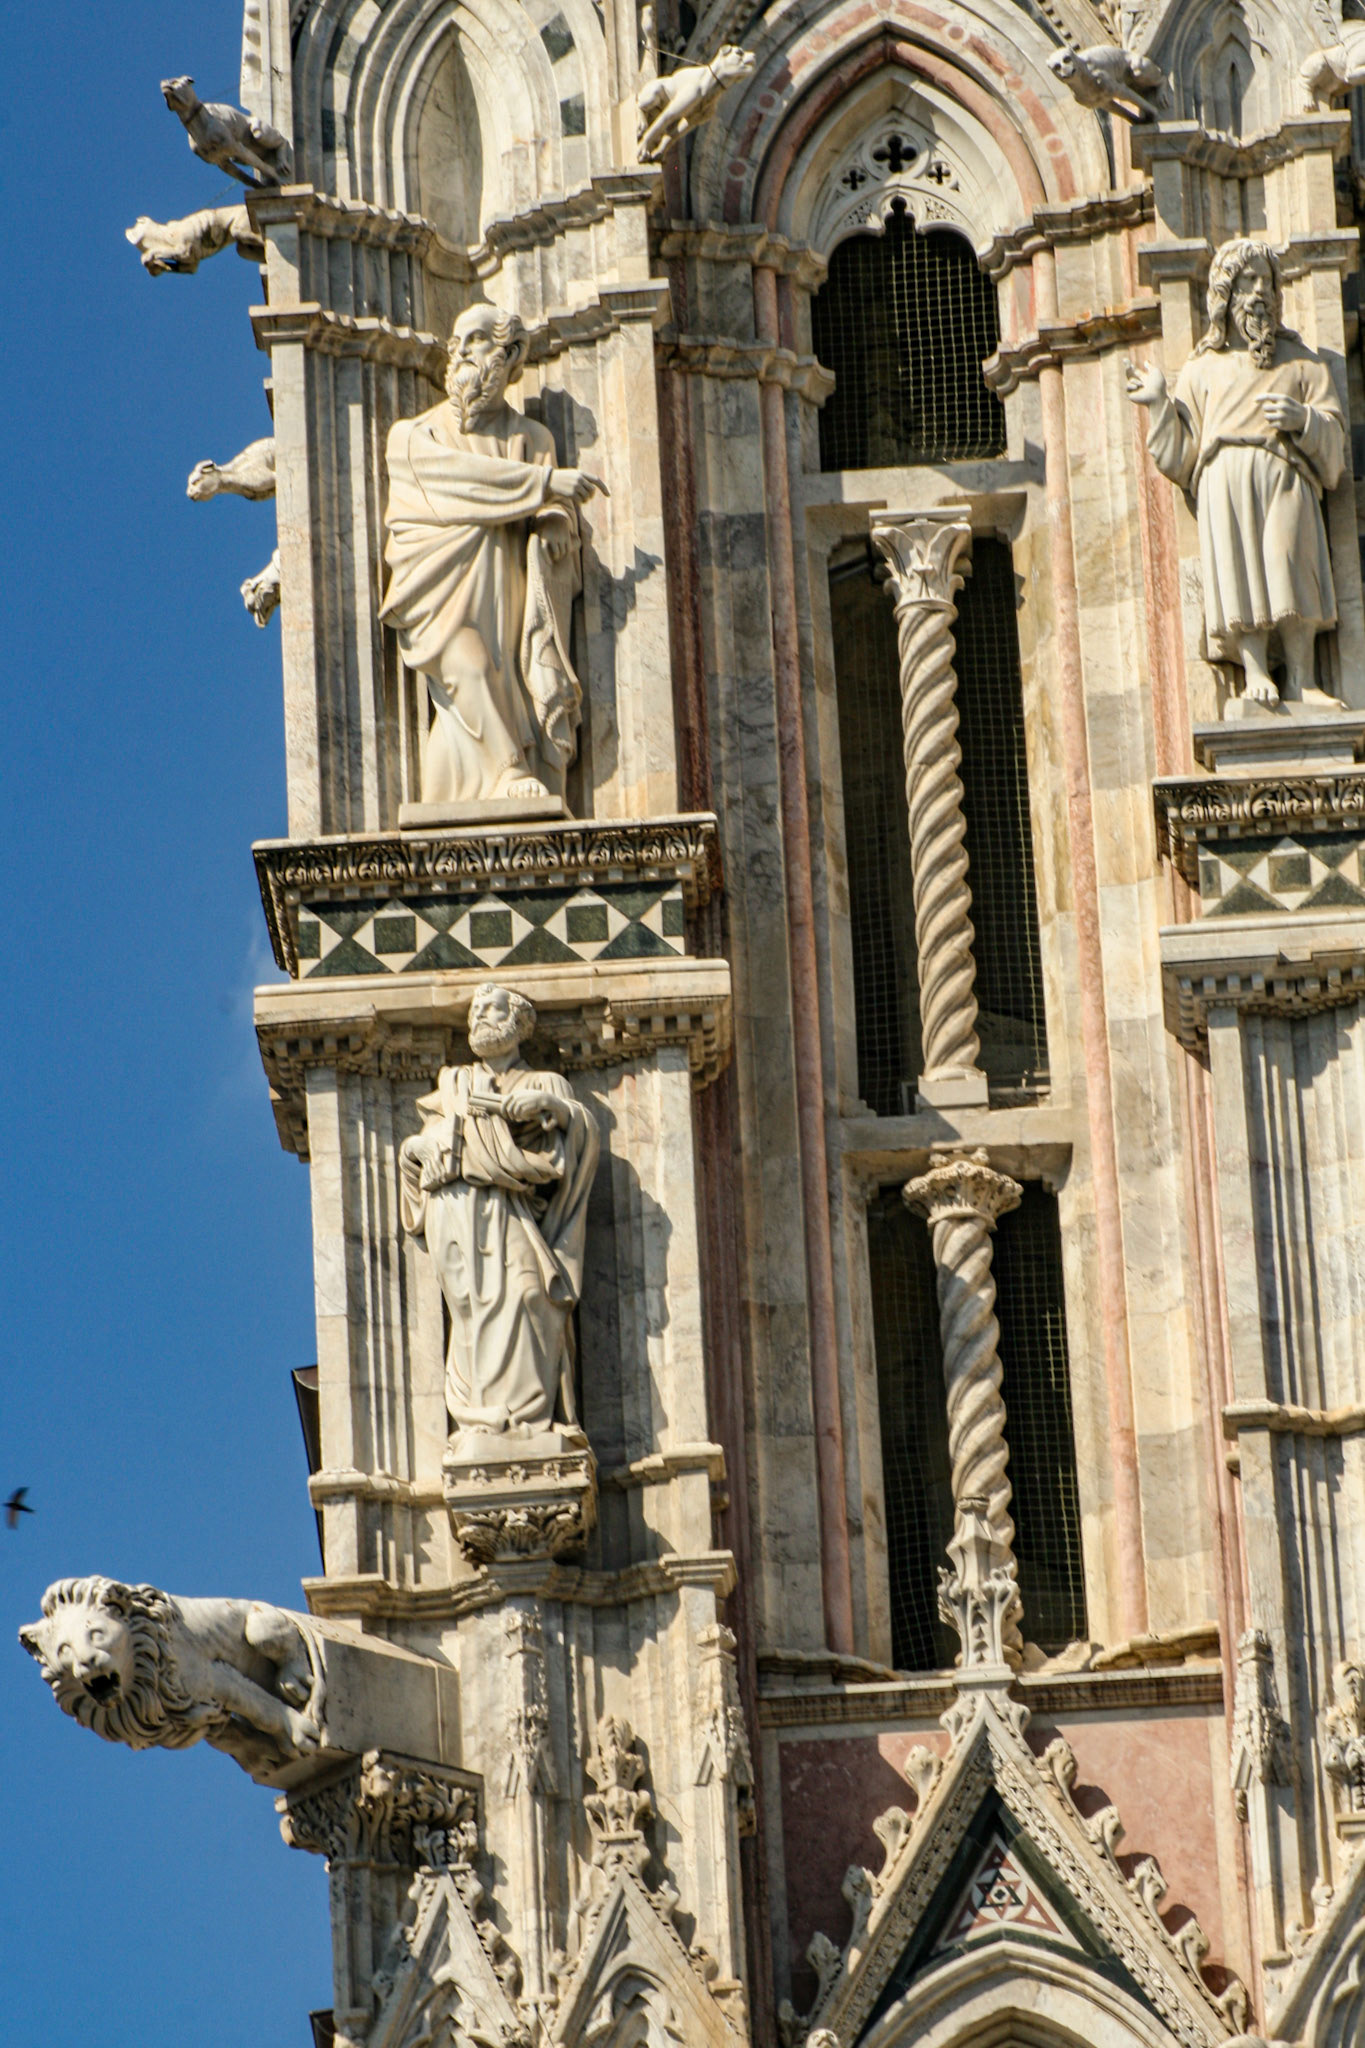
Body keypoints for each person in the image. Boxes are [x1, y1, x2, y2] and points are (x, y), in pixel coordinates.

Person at [382, 304, 607, 802]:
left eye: (476, 339)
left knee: (490, 696)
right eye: (456, 342)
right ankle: (507, 771)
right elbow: (458, 482)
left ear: (510, 354)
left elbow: (555, 515)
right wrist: (545, 483)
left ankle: (494, 778)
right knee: (466, 664)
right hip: (438, 594)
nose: (459, 351)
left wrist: (553, 519)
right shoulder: (416, 437)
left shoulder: (532, 438)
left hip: (507, 599)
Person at [1126, 238, 1345, 708]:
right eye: (1249, 280)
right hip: (1225, 487)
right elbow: (1182, 458)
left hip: (1287, 479)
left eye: (1267, 280)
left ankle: (1302, 679)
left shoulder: (1303, 363)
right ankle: (1256, 672)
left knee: (1293, 566)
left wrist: (1302, 420)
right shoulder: (1202, 369)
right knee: (1239, 570)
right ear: (1226, 292)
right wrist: (1160, 405)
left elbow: (1335, 450)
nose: (1259, 291)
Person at [398, 983, 600, 1440]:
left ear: (519, 1021)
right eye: (473, 1012)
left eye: (490, 1009)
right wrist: (415, 1149)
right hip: (457, 1209)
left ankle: (528, 1421)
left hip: (513, 1213)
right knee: (469, 1312)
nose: (478, 1018)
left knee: (531, 1297)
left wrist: (549, 1108)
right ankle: (478, 1419)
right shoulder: (454, 1083)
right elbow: (424, 1145)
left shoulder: (543, 1083)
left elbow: (579, 1140)